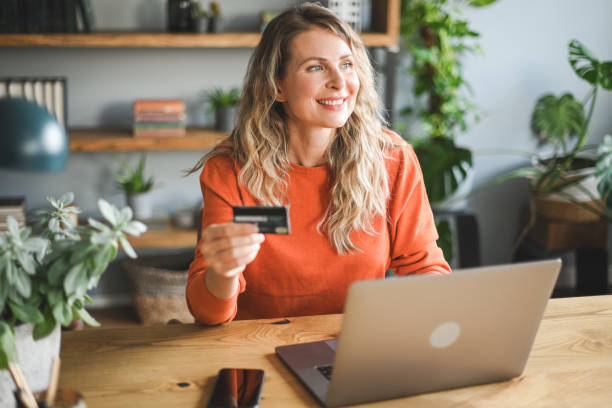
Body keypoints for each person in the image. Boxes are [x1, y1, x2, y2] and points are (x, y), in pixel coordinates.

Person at [187, 3, 451, 326]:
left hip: (357, 351)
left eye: (347, 65)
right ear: (276, 86)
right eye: (316, 68)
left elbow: (426, 268)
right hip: (258, 358)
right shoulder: (229, 170)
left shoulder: (393, 160)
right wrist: (223, 270)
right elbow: (208, 313)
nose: (340, 82)